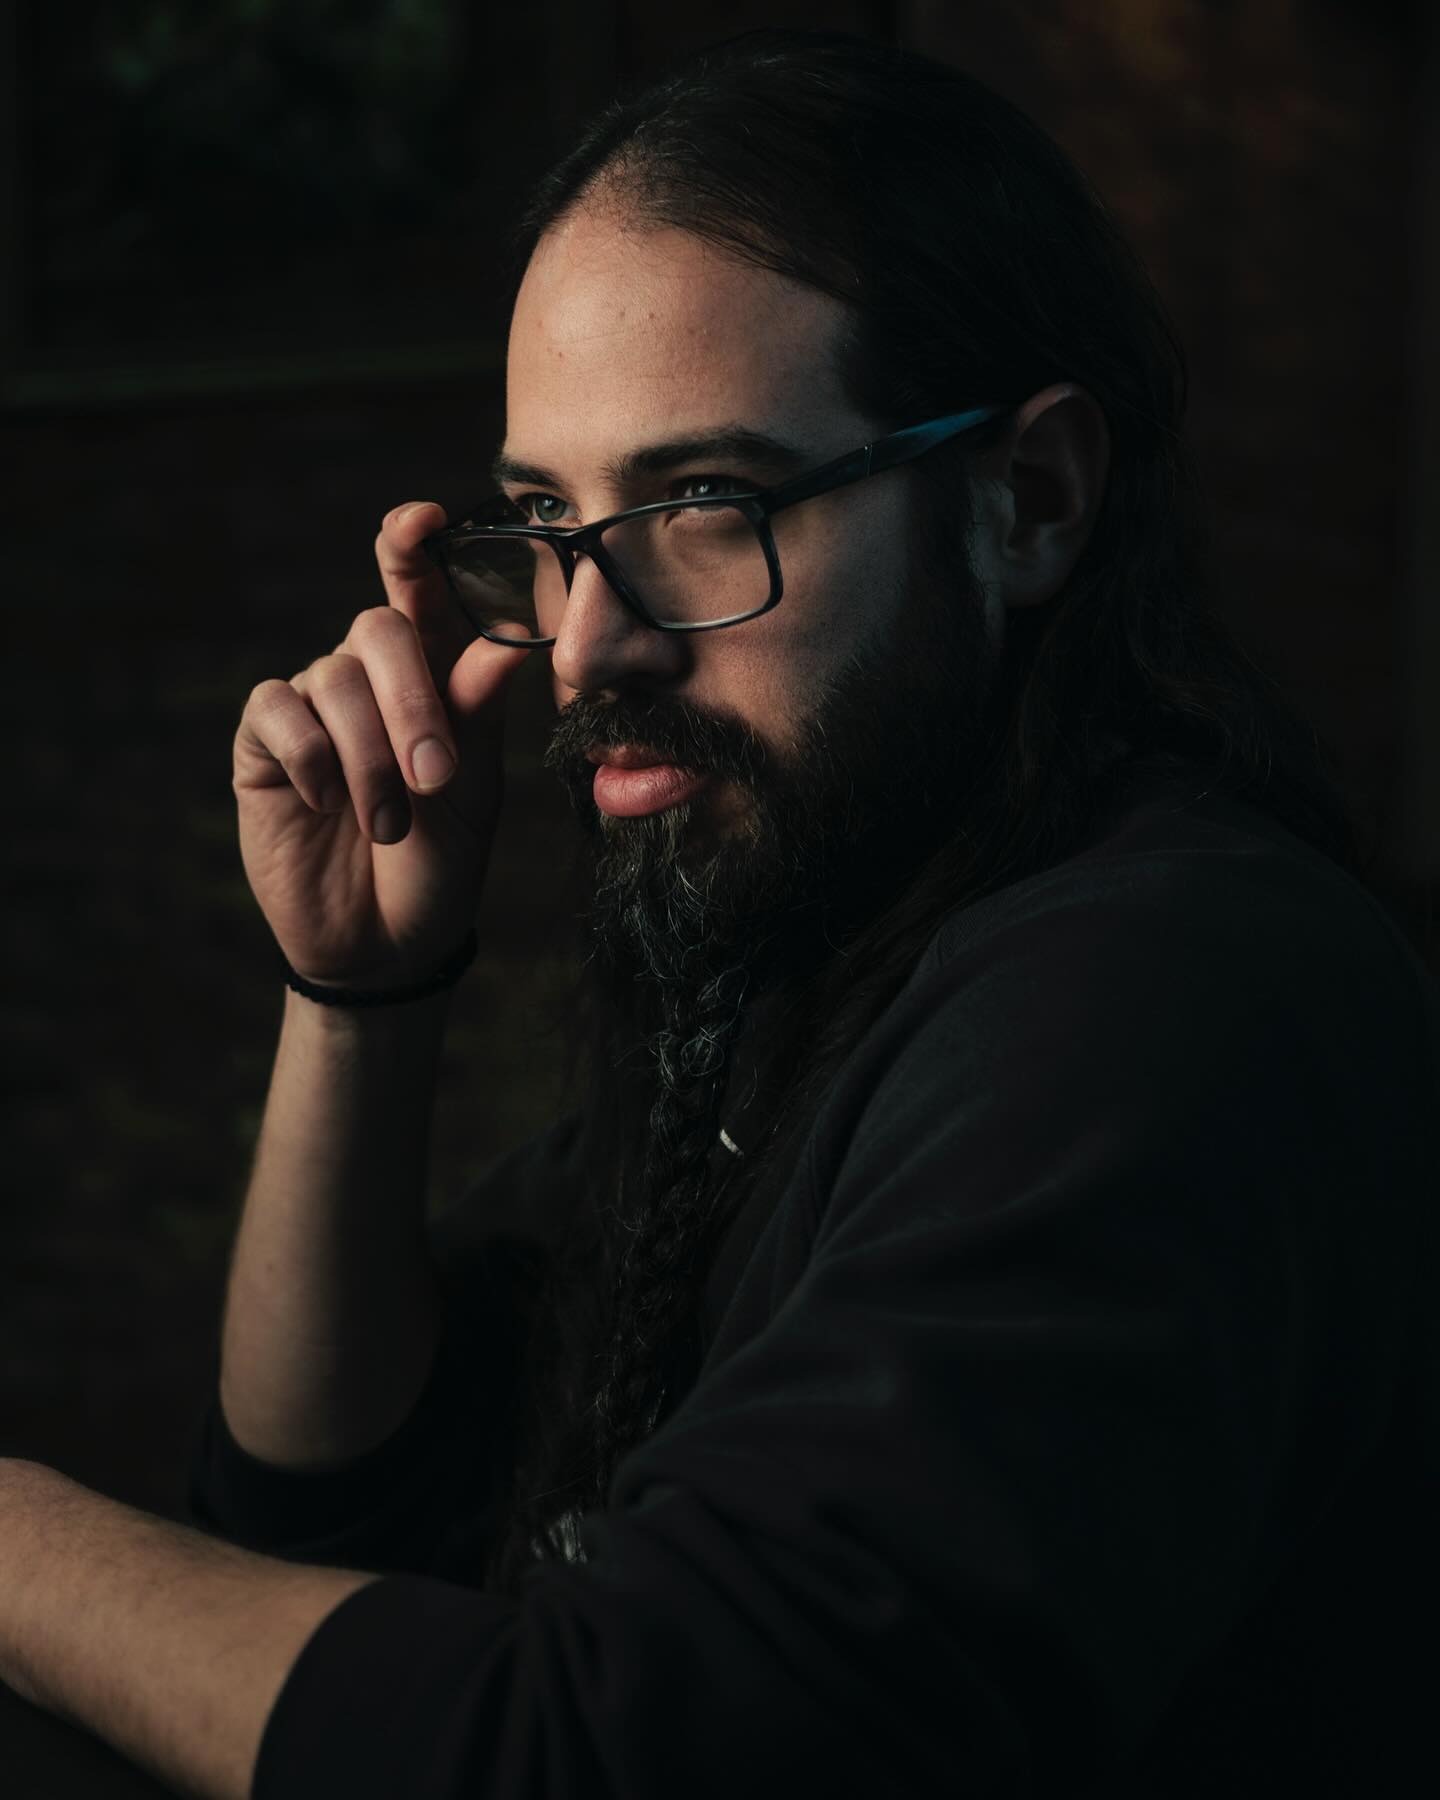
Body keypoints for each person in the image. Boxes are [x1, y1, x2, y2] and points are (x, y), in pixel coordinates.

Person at [187, 26, 1437, 1799]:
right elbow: (322, 1510)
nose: (594, 638)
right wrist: (360, 994)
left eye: (704, 503)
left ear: (1029, 501)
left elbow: (611, 1755)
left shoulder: (1167, 993)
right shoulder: (810, 953)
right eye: (547, 519)